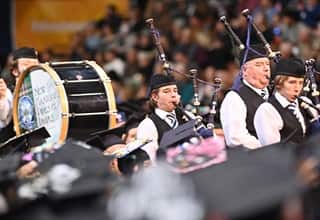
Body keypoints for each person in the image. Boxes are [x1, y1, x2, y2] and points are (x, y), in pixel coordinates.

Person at [254, 58, 317, 146]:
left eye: (300, 83)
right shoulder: (267, 110)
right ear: (279, 83)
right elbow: (272, 150)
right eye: (292, 82)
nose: (297, 88)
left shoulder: (306, 103)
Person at [220, 44, 271, 149]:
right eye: (259, 65)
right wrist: (269, 148)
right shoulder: (234, 98)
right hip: (254, 160)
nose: (266, 68)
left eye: (267, 64)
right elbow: (236, 138)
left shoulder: (274, 93)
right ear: (244, 71)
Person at [136, 73, 187, 160]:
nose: (173, 95)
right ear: (155, 97)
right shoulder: (147, 125)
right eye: (166, 91)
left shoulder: (187, 116)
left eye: (175, 90)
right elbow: (151, 159)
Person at [0, 47, 39, 143]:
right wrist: (2, 98)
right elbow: (3, 118)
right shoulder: (8, 92)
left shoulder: (43, 91)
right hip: (14, 150)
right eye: (26, 64)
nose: (31, 68)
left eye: (35, 65)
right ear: (15, 71)